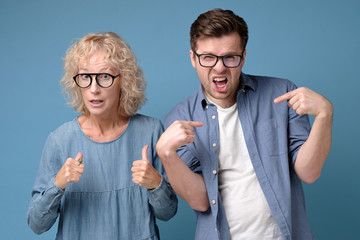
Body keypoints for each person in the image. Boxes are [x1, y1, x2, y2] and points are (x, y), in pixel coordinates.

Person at [156, 8, 333, 240]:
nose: (219, 68)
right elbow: (200, 201)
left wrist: (324, 115)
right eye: (208, 57)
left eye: (230, 57)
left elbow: (308, 172)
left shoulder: (283, 94)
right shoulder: (178, 120)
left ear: (243, 57)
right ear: (193, 58)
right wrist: (166, 154)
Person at [27, 32, 177, 240]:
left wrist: (155, 184)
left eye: (105, 77)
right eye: (85, 77)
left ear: (123, 80)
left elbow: (168, 212)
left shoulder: (151, 131)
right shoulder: (60, 140)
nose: (94, 89)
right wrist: (58, 184)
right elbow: (36, 224)